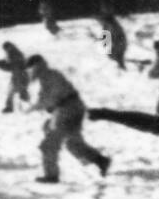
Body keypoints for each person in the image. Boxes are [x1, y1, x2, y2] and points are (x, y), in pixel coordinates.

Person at [26, 54, 111, 183]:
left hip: (67, 111)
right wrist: (38, 106)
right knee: (72, 143)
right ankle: (101, 161)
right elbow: (46, 98)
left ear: (36, 67)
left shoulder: (50, 76)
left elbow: (49, 98)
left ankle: (51, 176)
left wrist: (36, 107)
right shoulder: (49, 76)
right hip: (72, 109)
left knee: (49, 144)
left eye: (31, 69)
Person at [0, 41, 31, 113]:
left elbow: (11, 66)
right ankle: (14, 107)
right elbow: (8, 63)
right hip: (20, 76)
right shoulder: (15, 53)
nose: (5, 51)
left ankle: (13, 108)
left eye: (6, 49)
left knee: (14, 92)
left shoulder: (15, 55)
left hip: (20, 76)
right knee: (17, 92)